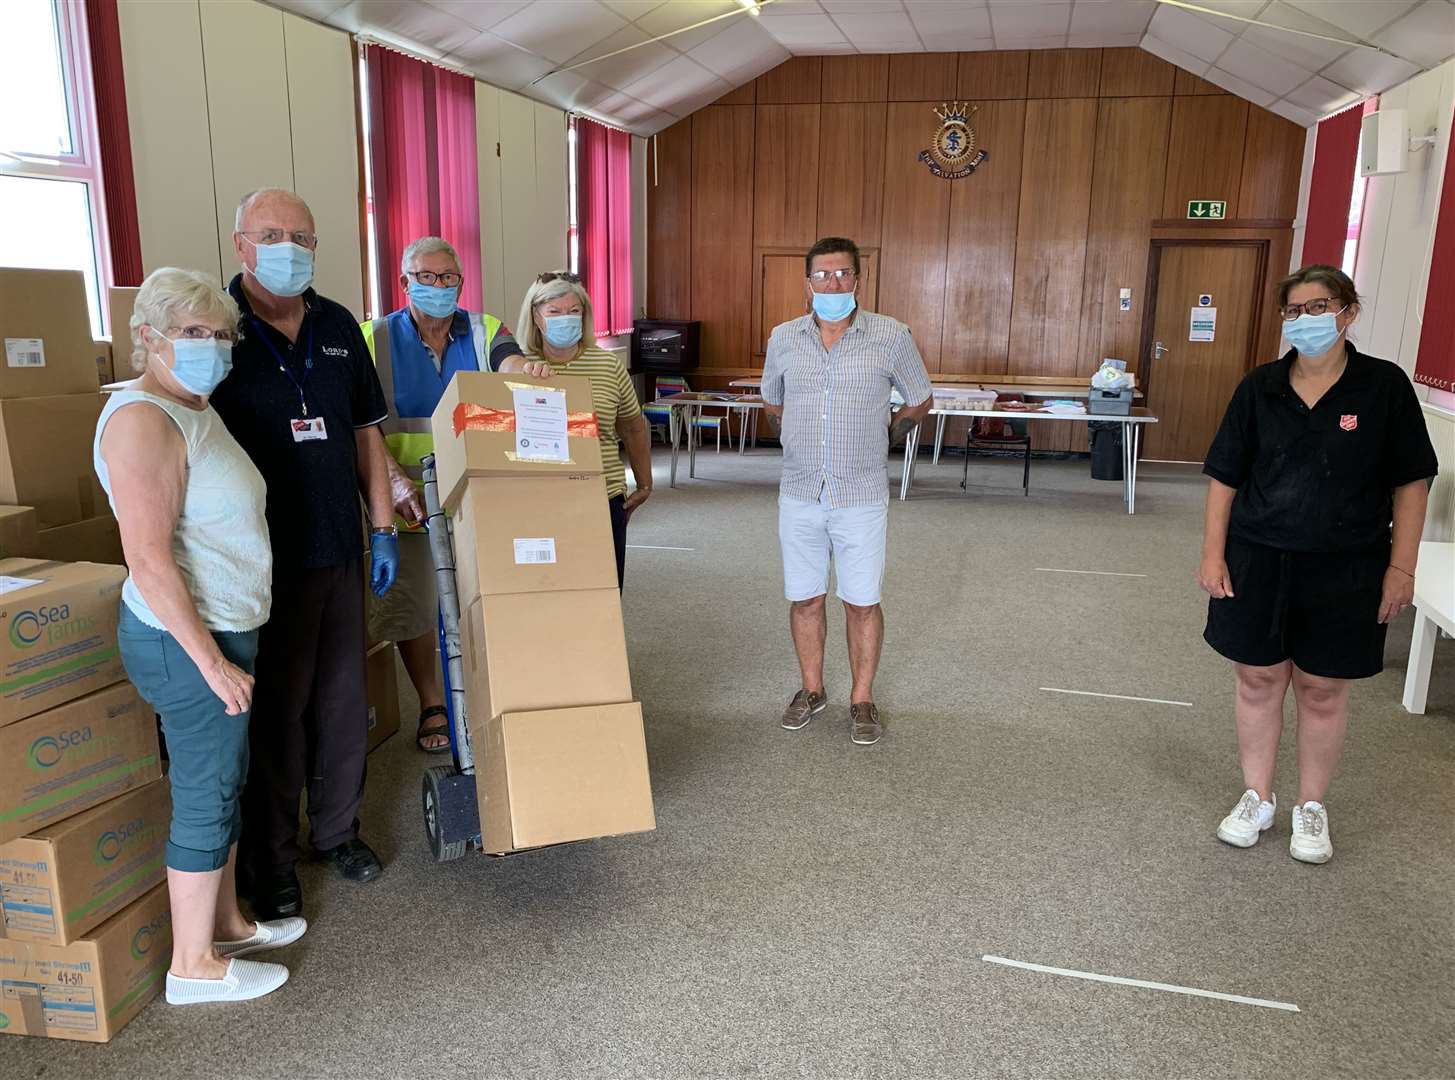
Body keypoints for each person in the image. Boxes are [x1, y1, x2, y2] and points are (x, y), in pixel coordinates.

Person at [97, 267, 305, 1005]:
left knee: (229, 779)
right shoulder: (141, 419)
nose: (211, 347)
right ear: (148, 337)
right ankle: (193, 966)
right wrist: (210, 662)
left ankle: (227, 922)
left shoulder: (192, 405)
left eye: (220, 334)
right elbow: (149, 560)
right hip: (185, 639)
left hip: (224, 628)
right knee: (207, 791)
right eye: (192, 333)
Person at [1199, 264, 1437, 864]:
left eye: (1319, 306)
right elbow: (1225, 476)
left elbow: (1412, 482)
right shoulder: (1260, 387)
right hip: (1258, 556)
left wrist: (1401, 568)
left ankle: (1311, 806)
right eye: (1294, 311)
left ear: (1348, 311)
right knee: (1257, 678)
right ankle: (1257, 795)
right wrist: (1211, 553)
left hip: (1347, 565)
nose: (1305, 320)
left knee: (1323, 688)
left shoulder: (1384, 387)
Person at [210, 188, 398, 920]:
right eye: (271, 233)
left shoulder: (339, 325)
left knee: (344, 702)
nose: (288, 247)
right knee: (277, 713)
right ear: (240, 243)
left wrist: (381, 528)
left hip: (339, 550)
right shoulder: (215, 331)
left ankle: (336, 833)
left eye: (301, 235)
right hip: (259, 563)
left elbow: (364, 434)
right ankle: (273, 859)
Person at [760, 237, 933, 746]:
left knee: (860, 600)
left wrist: (888, 432)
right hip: (799, 490)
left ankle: (862, 698)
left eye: (842, 275)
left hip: (860, 493)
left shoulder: (890, 335)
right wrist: (794, 438)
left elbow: (920, 397)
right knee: (805, 597)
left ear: (858, 279)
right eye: (822, 276)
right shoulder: (784, 338)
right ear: (807, 282)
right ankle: (811, 690)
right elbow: (772, 401)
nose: (832, 284)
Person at [361, 236, 523, 753]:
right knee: (415, 602)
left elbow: (509, 361)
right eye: (425, 277)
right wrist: (390, 478)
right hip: (403, 496)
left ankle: (479, 692)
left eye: (447, 277)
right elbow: (359, 422)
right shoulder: (374, 337)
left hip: (475, 491)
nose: (437, 286)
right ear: (404, 281)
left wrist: (529, 371)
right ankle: (432, 701)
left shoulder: (483, 328)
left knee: (480, 594)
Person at [499, 272, 652, 586]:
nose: (565, 319)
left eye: (573, 311)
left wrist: (645, 483)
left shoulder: (608, 366)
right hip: (535, 500)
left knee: (602, 593)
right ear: (536, 318)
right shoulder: (516, 367)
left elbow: (633, 428)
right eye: (554, 312)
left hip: (601, 496)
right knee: (542, 592)